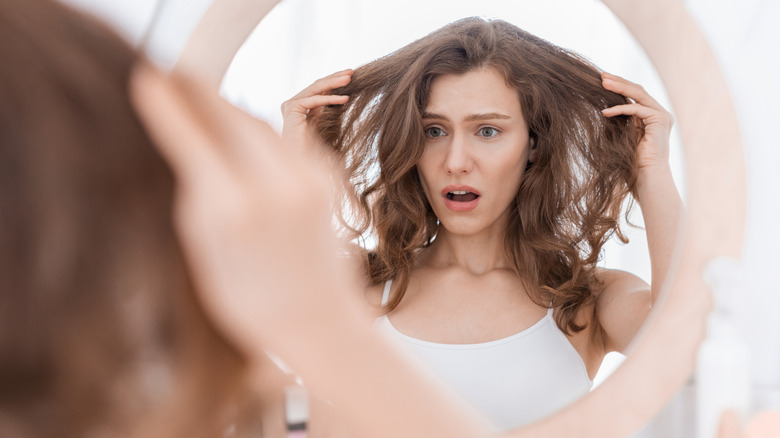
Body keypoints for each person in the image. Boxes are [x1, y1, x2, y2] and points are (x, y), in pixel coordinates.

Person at [283, 17, 683, 429]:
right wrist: (287, 168)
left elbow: (683, 341)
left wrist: (651, 172)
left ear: (533, 144)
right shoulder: (354, 287)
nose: (455, 161)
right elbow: (243, 325)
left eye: (487, 131)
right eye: (434, 131)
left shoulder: (583, 300)